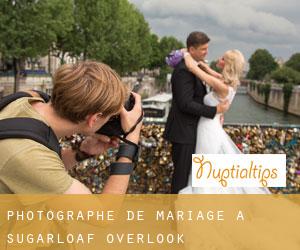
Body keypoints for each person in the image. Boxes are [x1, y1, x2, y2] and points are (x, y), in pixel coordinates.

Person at [0, 61, 142, 194]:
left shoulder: (26, 98)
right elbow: (103, 215)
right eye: (110, 117)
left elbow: (38, 172)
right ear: (95, 118)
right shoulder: (28, 155)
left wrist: (81, 152)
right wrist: (131, 140)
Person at [179, 49, 270, 194]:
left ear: (227, 64)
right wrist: (204, 65)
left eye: (223, 58)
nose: (219, 59)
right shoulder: (229, 82)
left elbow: (192, 68)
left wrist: (186, 53)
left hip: (208, 128)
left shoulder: (220, 85)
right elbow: (210, 72)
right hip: (212, 126)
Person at [163, 31, 230, 194]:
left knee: (187, 176)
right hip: (183, 132)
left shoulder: (194, 67)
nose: (206, 52)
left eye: (207, 48)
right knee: (181, 176)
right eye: (203, 49)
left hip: (189, 130)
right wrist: (214, 110)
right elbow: (186, 104)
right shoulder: (183, 71)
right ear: (191, 50)